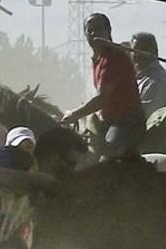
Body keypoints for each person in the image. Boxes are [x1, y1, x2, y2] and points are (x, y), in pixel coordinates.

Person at [61, 13, 145, 158]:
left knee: (108, 158)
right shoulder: (99, 59)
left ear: (108, 31)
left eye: (98, 29)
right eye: (89, 30)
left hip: (127, 123)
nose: (94, 33)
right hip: (109, 120)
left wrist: (74, 114)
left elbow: (102, 99)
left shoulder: (113, 57)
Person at [130, 31, 166, 116]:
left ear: (154, 52)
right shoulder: (136, 77)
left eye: (143, 50)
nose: (137, 54)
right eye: (134, 50)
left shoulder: (159, 79)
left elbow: (146, 112)